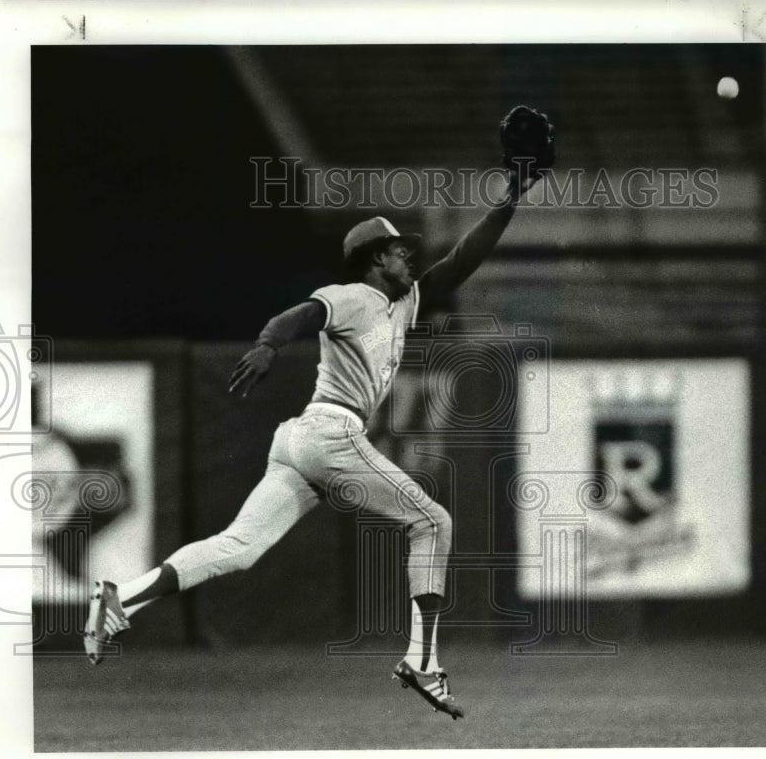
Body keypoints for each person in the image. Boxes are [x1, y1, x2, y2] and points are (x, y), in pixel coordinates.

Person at [84, 170, 537, 720]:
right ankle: (422, 662)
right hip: (329, 433)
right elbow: (296, 315)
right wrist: (268, 345)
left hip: (300, 442)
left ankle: (120, 597)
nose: (408, 259)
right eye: (398, 251)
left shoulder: (405, 303)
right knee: (433, 522)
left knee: (239, 548)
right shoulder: (353, 296)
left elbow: (462, 260)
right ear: (375, 260)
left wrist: (511, 198)